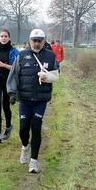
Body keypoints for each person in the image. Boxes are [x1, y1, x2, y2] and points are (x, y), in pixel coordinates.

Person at [7, 29, 59, 173]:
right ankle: (25, 147)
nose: (36, 44)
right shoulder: (22, 55)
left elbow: (56, 75)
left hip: (40, 99)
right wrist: (12, 92)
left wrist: (46, 78)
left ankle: (34, 162)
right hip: (24, 98)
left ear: (44, 41)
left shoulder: (50, 56)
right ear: (30, 41)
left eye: (39, 41)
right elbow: (14, 75)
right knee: (23, 129)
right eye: (34, 41)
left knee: (36, 128)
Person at [0, 29, 19, 144]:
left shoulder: (14, 52)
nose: (3, 38)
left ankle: (8, 127)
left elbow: (17, 68)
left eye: (5, 36)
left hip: (9, 82)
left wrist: (3, 65)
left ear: (9, 37)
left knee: (6, 107)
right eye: (1, 36)